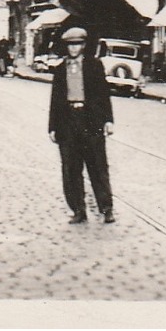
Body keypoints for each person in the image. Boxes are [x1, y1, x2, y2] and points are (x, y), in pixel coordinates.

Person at [48, 27, 115, 224]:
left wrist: (108, 120)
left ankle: (106, 208)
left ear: (84, 45)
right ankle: (78, 209)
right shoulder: (60, 69)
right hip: (68, 122)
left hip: (91, 121)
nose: (73, 48)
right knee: (71, 169)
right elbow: (55, 99)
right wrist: (52, 126)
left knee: (97, 167)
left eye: (77, 44)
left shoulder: (95, 66)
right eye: (70, 45)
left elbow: (104, 94)